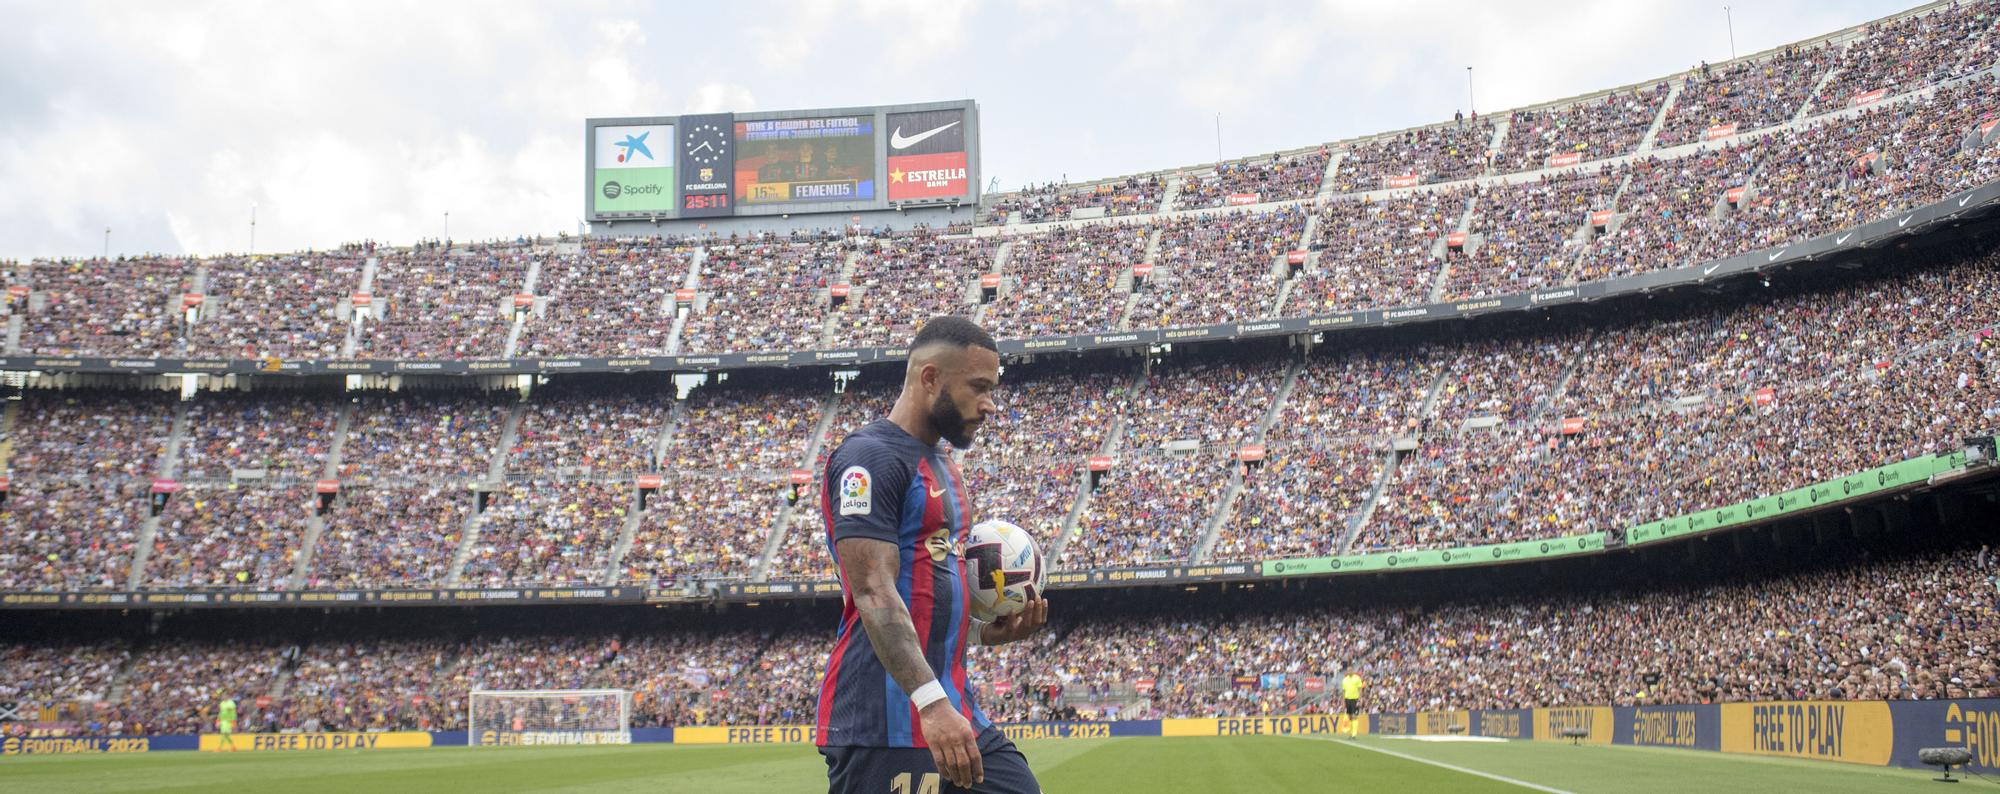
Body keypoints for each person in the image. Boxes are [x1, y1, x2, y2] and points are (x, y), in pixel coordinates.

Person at [816, 316, 1050, 793]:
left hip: (952, 707)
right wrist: (931, 703)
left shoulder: (945, 468)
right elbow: (874, 591)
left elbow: (926, 595)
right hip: (889, 724)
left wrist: (984, 634)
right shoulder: (869, 459)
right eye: (979, 387)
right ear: (930, 379)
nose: (990, 406)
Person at [1340, 671, 1366, 738]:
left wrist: (1360, 699)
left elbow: (1360, 689)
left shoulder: (1357, 679)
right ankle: (1351, 733)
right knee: (1350, 717)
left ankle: (1354, 734)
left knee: (1354, 716)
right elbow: (1343, 691)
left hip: (1355, 699)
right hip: (1348, 699)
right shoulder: (1345, 680)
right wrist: (1343, 702)